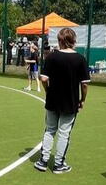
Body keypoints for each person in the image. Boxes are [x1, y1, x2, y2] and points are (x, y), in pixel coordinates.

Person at [34, 28, 90, 174]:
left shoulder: (51, 57)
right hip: (70, 101)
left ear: (60, 40)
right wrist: (82, 100)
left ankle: (43, 161)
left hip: (53, 100)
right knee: (64, 133)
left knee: (50, 130)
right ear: (73, 41)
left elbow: (44, 79)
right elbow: (84, 84)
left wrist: (48, 91)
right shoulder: (80, 59)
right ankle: (59, 164)